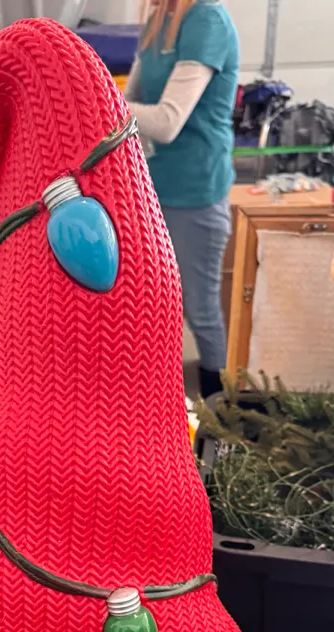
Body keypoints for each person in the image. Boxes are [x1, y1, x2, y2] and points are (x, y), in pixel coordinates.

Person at [125, 0, 239, 398]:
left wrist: (93, 98)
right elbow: (130, 99)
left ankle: (220, 407)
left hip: (195, 190)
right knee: (152, 300)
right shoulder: (158, 19)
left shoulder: (207, 19)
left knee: (199, 307)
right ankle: (159, 400)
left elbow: (167, 122)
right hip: (152, 188)